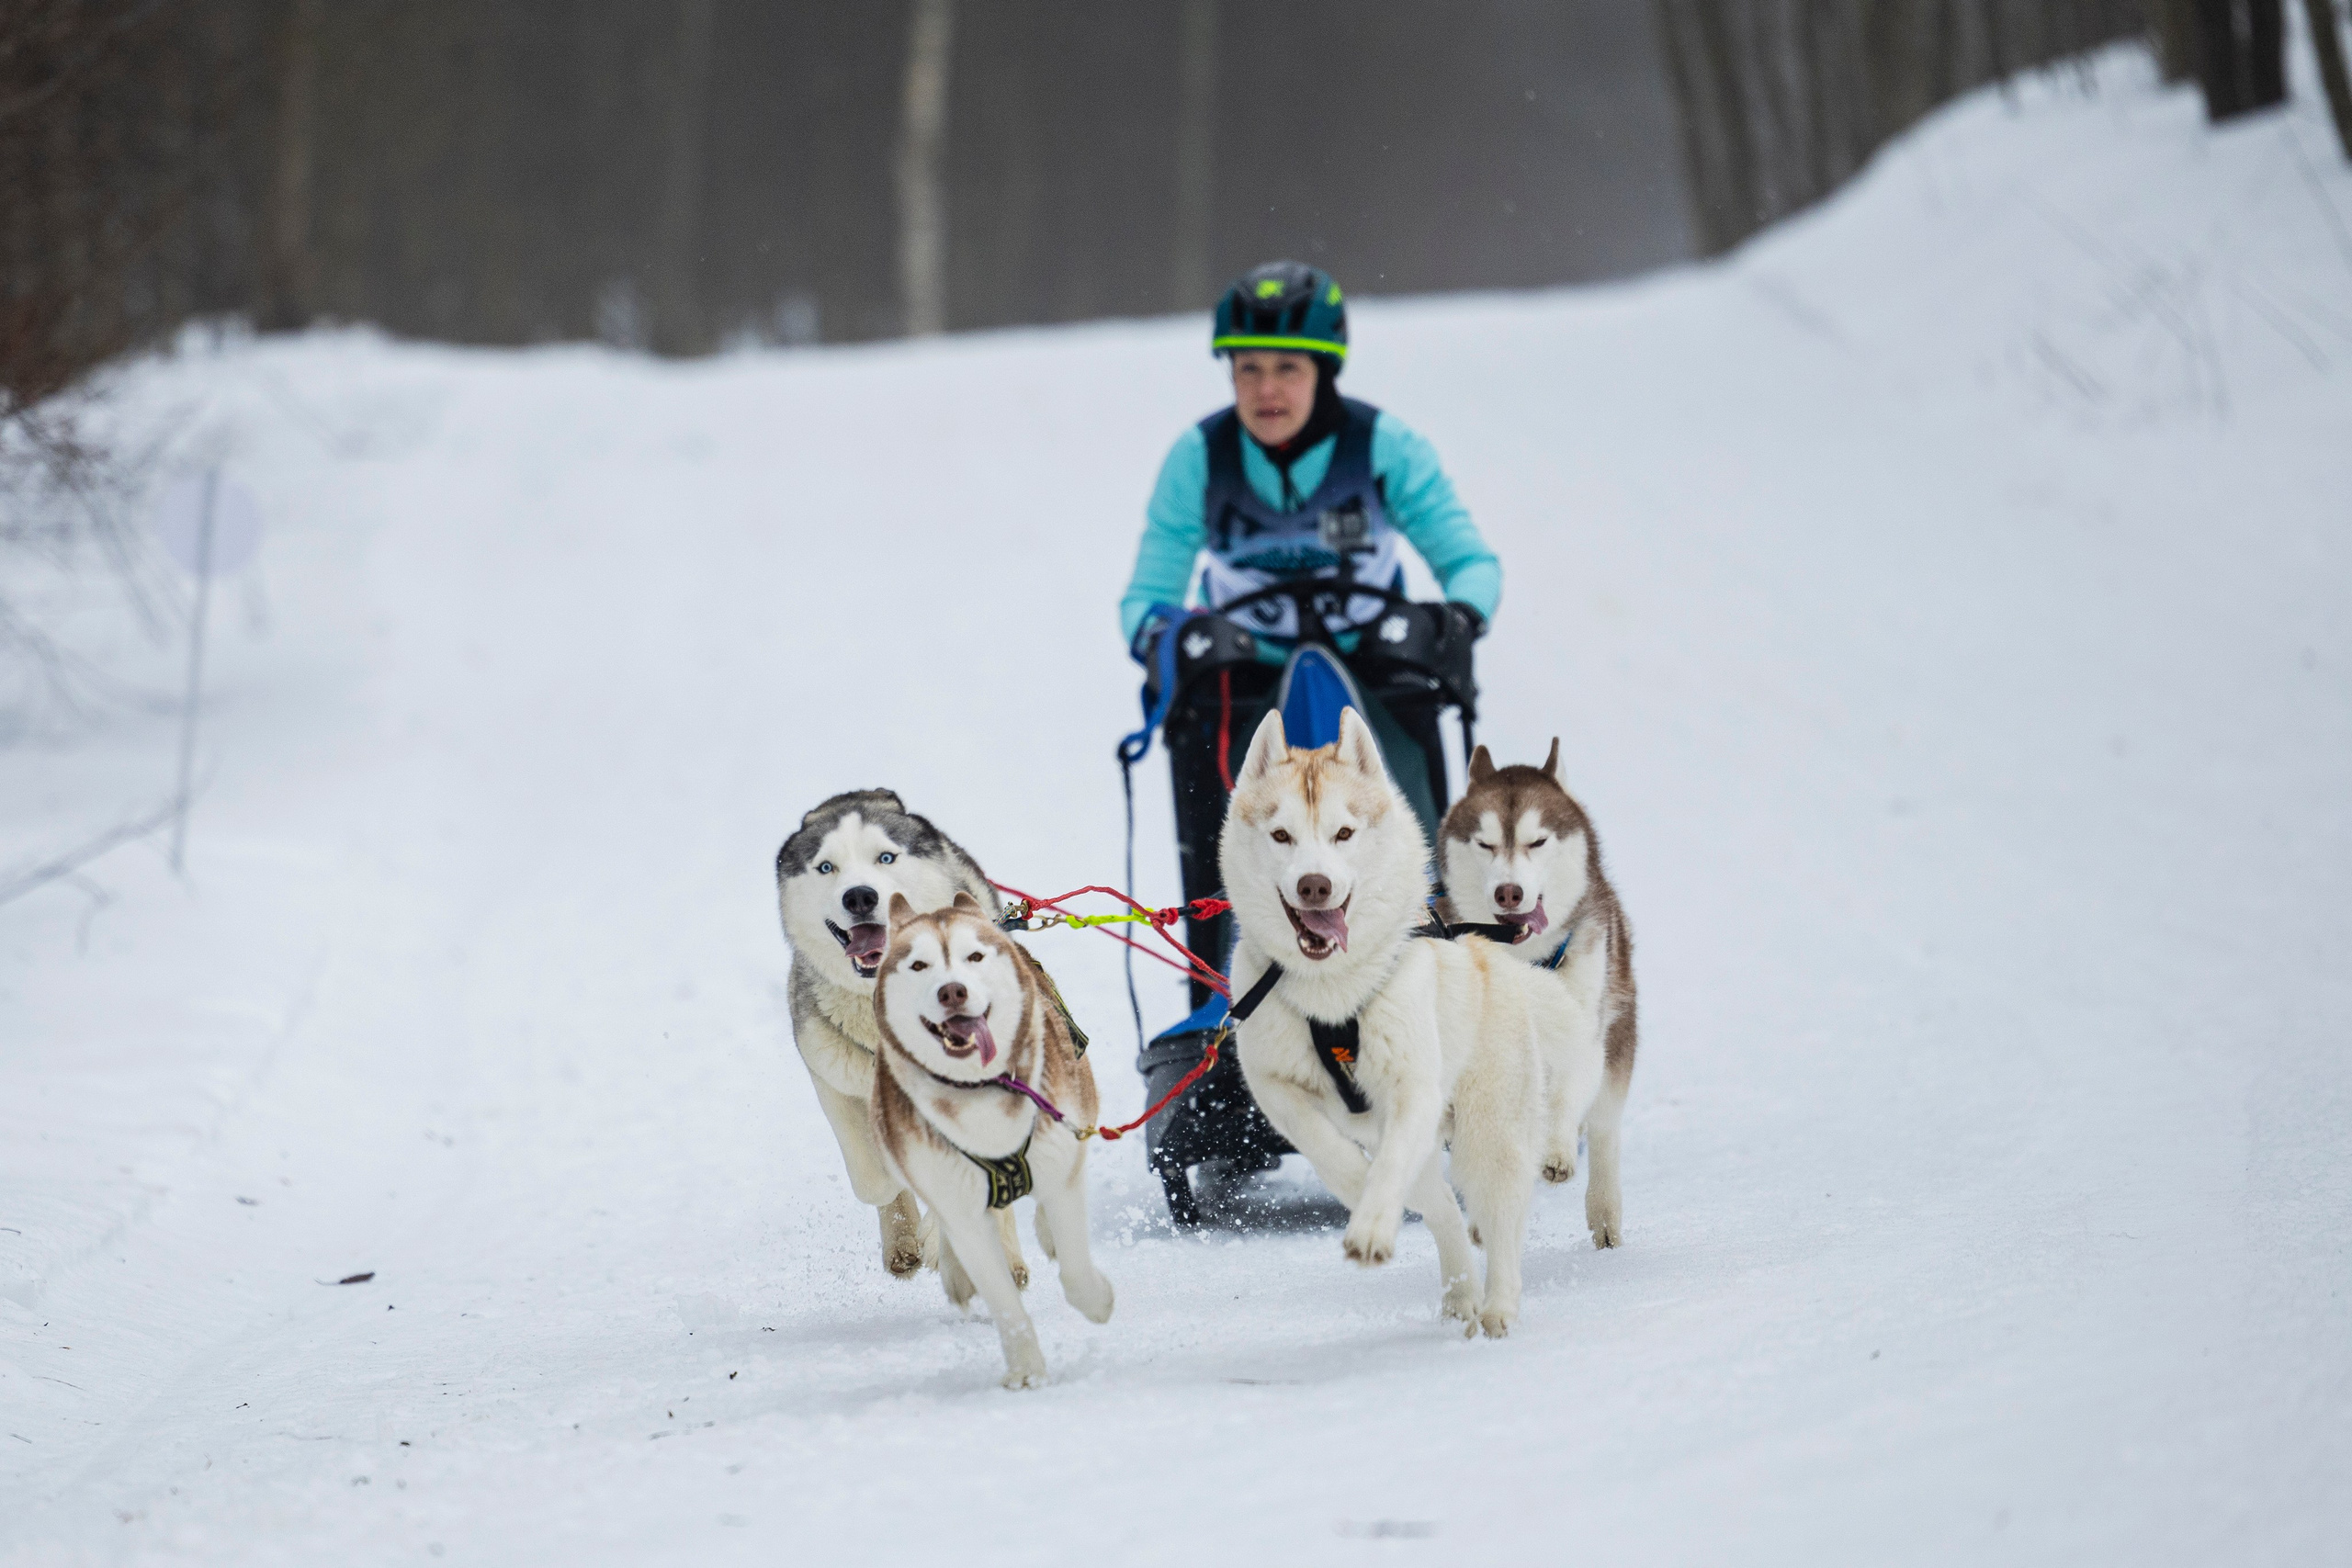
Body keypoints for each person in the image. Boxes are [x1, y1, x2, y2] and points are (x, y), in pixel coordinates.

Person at [1120, 260, 1501, 997]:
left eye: (1288, 369)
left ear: (1324, 372)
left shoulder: (1384, 446)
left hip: (1371, 663)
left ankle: (1436, 965)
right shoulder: (1198, 458)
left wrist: (1454, 618)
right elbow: (1146, 597)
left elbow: (1472, 563)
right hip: (1245, 672)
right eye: (1249, 368)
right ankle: (1218, 989)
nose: (1267, 389)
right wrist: (1165, 638)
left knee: (1407, 769)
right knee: (1205, 744)